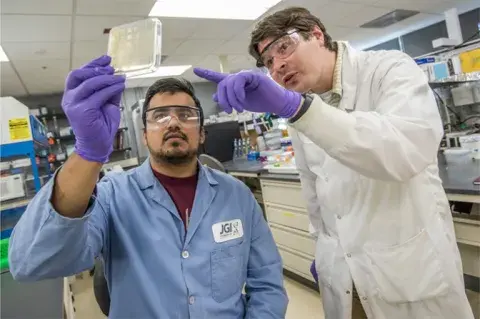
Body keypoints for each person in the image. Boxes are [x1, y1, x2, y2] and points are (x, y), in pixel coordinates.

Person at [194, 6, 475, 319]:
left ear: (316, 34)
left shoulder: (389, 69)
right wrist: (322, 250)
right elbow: (314, 188)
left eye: (283, 47)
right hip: (342, 277)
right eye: (268, 61)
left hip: (408, 276)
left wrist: (299, 110)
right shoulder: (303, 106)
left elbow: (404, 152)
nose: (278, 65)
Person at [8, 55, 288, 319]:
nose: (174, 122)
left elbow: (267, 283)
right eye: (160, 115)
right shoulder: (111, 195)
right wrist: (88, 154)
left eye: (186, 114)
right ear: (145, 135)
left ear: (202, 132)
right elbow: (31, 262)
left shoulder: (236, 195)